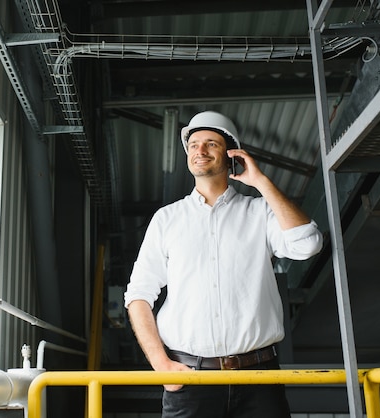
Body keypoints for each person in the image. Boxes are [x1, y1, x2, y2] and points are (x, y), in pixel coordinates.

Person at [123, 110, 323, 418]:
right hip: (190, 380)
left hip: (260, 379)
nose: (199, 151)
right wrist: (160, 364)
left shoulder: (260, 212)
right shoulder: (167, 219)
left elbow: (308, 244)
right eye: (193, 145)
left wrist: (260, 182)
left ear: (232, 155)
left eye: (211, 144)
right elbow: (138, 295)